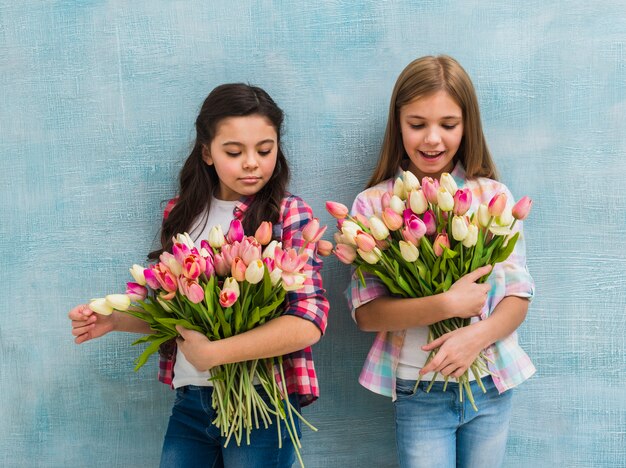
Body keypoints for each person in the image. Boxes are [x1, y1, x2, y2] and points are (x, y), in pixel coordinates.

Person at [69, 83, 329, 468]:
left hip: (262, 400)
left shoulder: (287, 215)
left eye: (264, 149)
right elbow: (180, 314)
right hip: (191, 401)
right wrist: (115, 320)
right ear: (207, 152)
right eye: (234, 151)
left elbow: (309, 321)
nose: (252, 163)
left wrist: (216, 354)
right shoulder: (182, 215)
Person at [348, 55, 535, 468]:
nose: (432, 139)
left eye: (448, 125)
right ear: (398, 124)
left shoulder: (491, 197)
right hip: (419, 389)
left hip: (490, 384)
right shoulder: (374, 205)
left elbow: (518, 296)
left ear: (467, 126)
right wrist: (447, 306)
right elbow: (367, 315)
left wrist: (475, 336)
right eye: (418, 124)